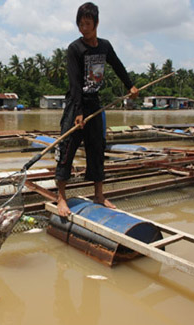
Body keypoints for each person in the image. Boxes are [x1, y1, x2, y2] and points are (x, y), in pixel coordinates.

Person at [55, 2, 139, 217]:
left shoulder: (105, 46)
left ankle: (99, 195)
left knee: (97, 148)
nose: (84, 28)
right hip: (76, 105)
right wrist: (79, 112)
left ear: (96, 24)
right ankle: (61, 198)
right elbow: (74, 83)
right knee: (66, 150)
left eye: (88, 24)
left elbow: (118, 65)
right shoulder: (75, 49)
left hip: (95, 104)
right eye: (80, 24)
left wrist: (130, 85)